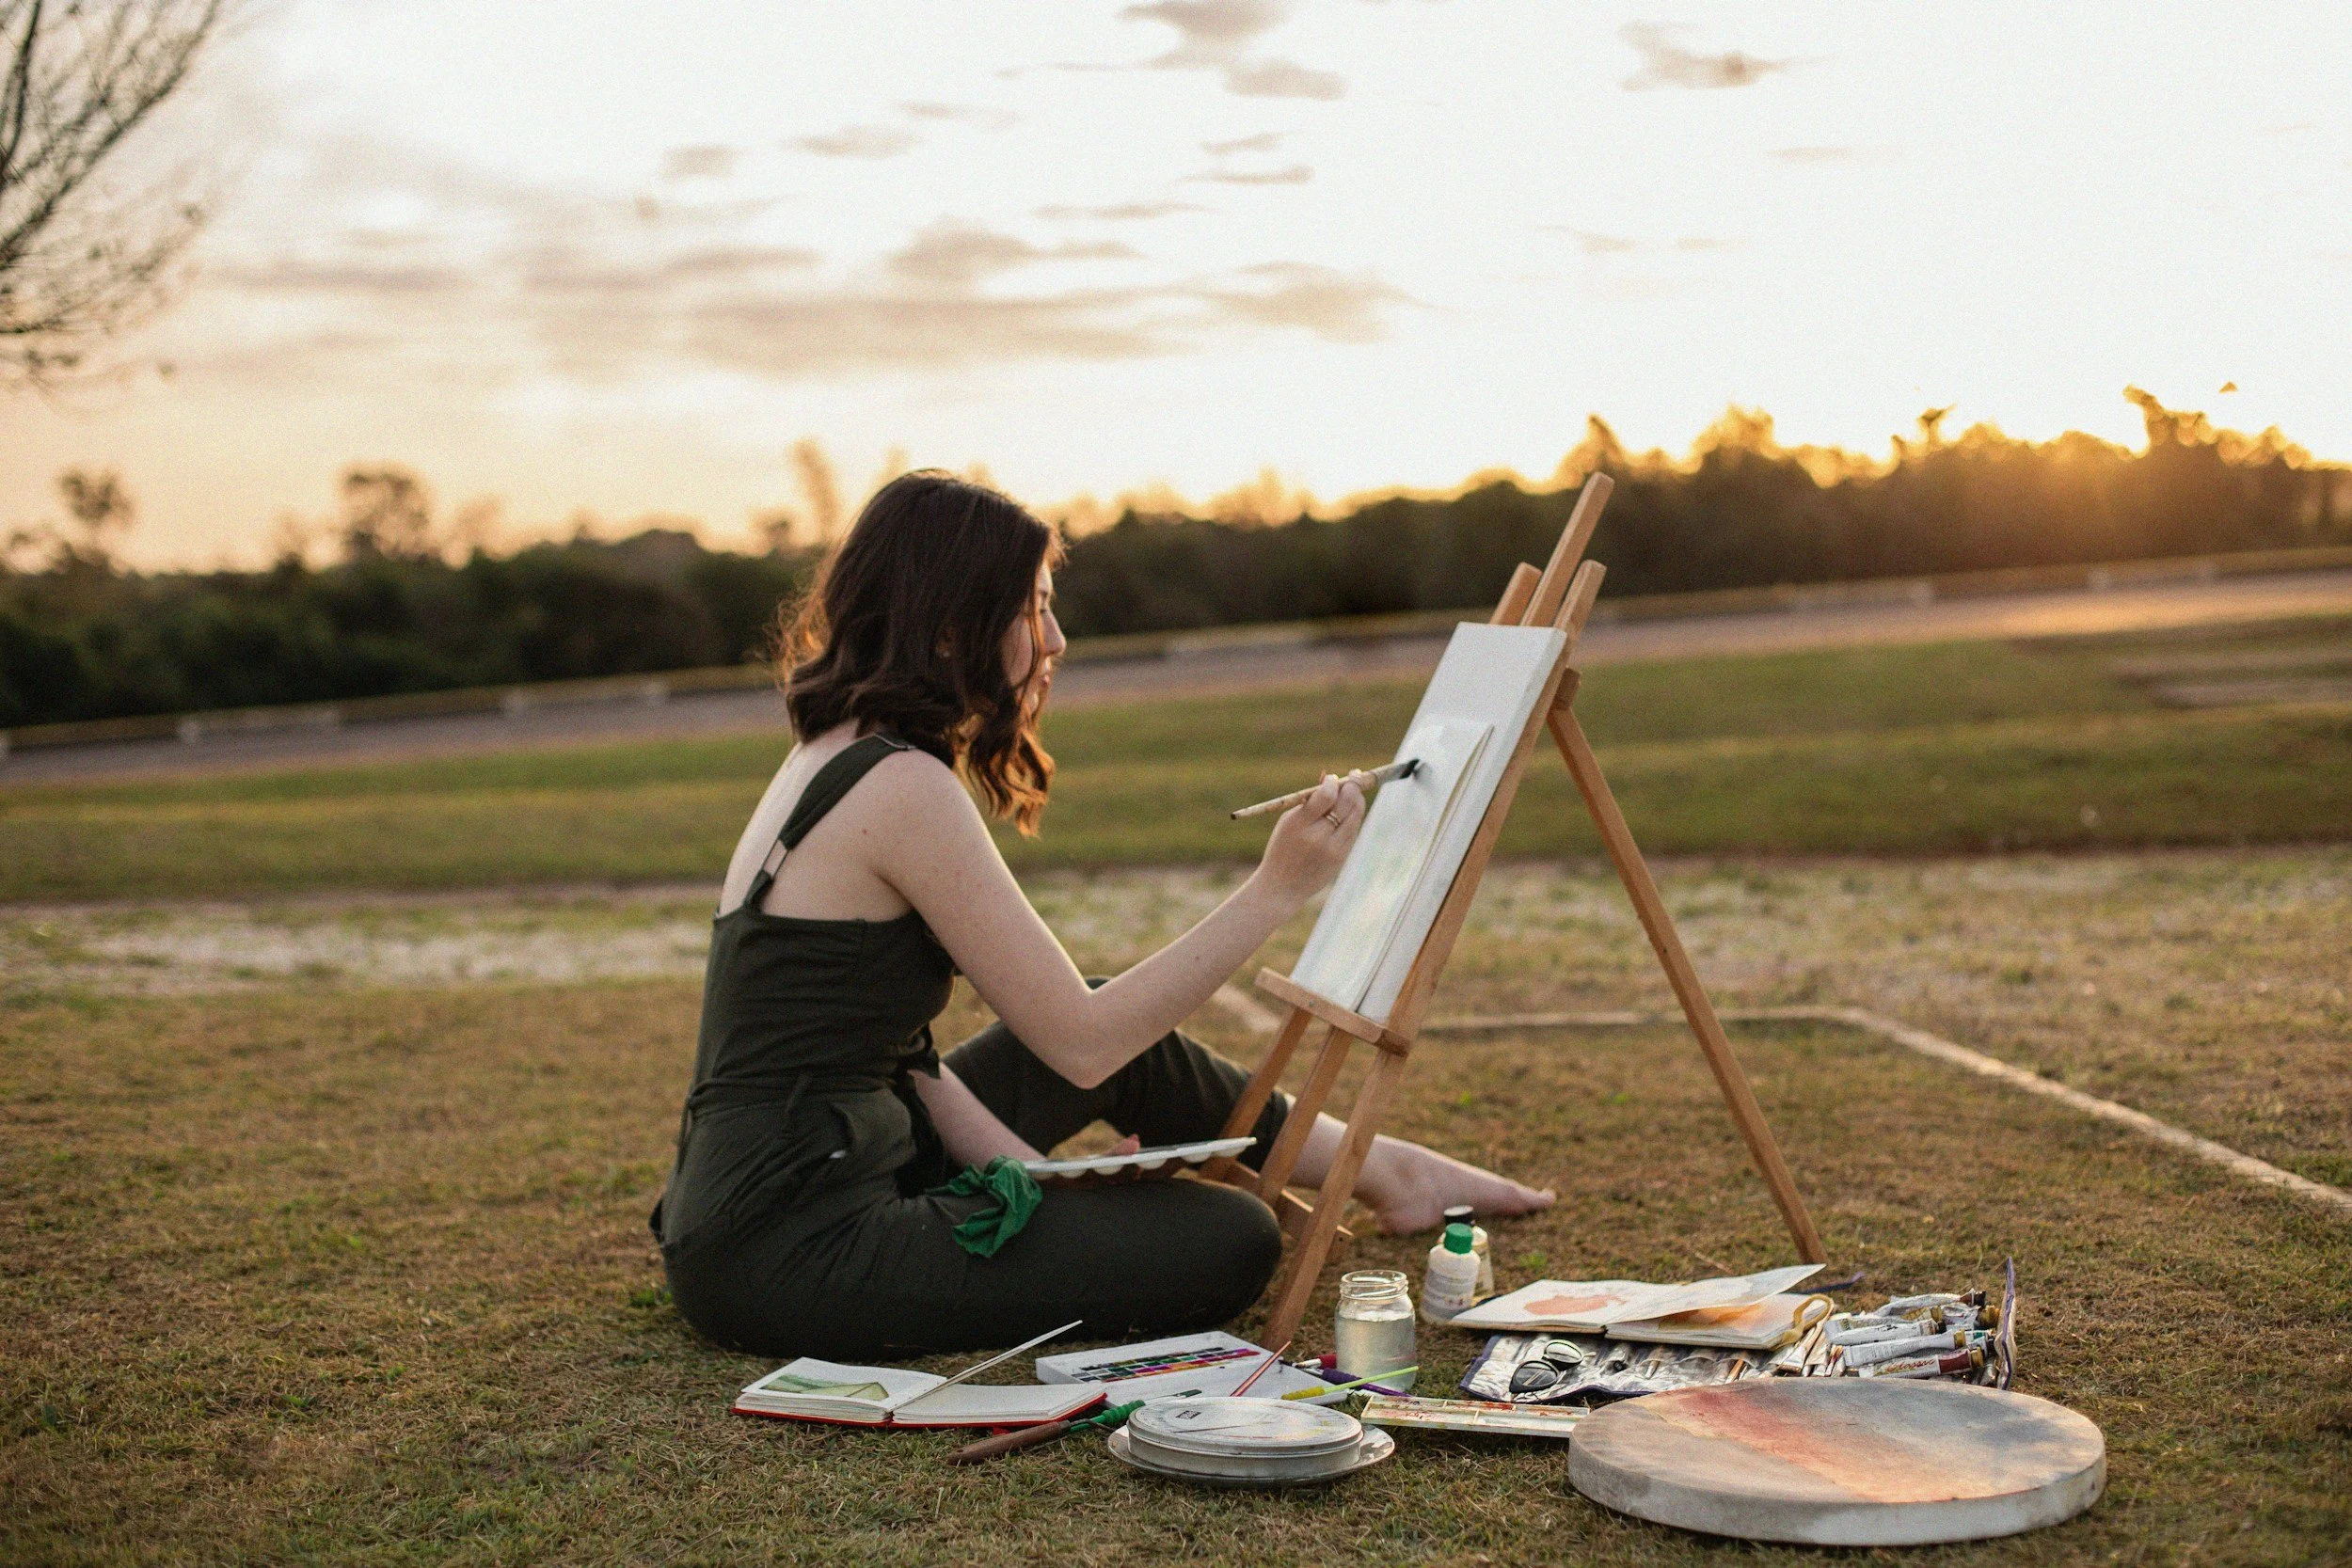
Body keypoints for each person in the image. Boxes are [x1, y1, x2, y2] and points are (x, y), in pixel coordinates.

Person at [651, 471, 1552, 1358]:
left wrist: (1033, 1180)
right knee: (1229, 1238)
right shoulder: (900, 784)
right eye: (1032, 606)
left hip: (792, 1181)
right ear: (953, 620)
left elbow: (900, 1058)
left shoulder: (840, 751)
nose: (1056, 636)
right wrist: (1279, 885)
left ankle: (1387, 1167)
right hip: (793, 1245)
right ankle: (1376, 1170)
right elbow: (1081, 1043)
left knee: (1125, 1033)